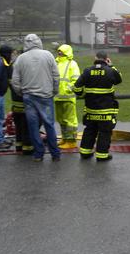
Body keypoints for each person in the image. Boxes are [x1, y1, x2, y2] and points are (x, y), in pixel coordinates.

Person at [11, 34, 61, 162]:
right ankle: (55, 153)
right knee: (49, 125)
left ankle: (38, 153)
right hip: (46, 96)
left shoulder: (20, 59)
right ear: (39, 42)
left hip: (29, 97)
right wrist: (54, 90)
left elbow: (15, 81)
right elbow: (56, 75)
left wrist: (21, 93)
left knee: (33, 126)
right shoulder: (48, 55)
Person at [73, 50, 122, 162]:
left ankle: (85, 153)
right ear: (106, 59)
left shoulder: (87, 71)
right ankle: (101, 155)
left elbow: (76, 88)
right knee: (104, 132)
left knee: (90, 130)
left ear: (95, 59)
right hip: (106, 111)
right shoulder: (110, 71)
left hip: (91, 110)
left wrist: (82, 93)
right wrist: (111, 65)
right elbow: (119, 79)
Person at [54, 44, 81, 149]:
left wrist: (69, 89)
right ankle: (65, 138)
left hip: (68, 97)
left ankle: (71, 141)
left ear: (66, 52)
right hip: (57, 97)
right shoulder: (56, 63)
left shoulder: (72, 64)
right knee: (61, 119)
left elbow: (76, 80)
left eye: (62, 51)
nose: (59, 52)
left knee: (70, 121)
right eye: (59, 51)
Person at [9, 49, 34, 155]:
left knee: (18, 125)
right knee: (26, 126)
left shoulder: (12, 65)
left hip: (15, 101)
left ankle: (19, 146)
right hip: (24, 101)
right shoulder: (24, 66)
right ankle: (27, 148)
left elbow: (12, 83)